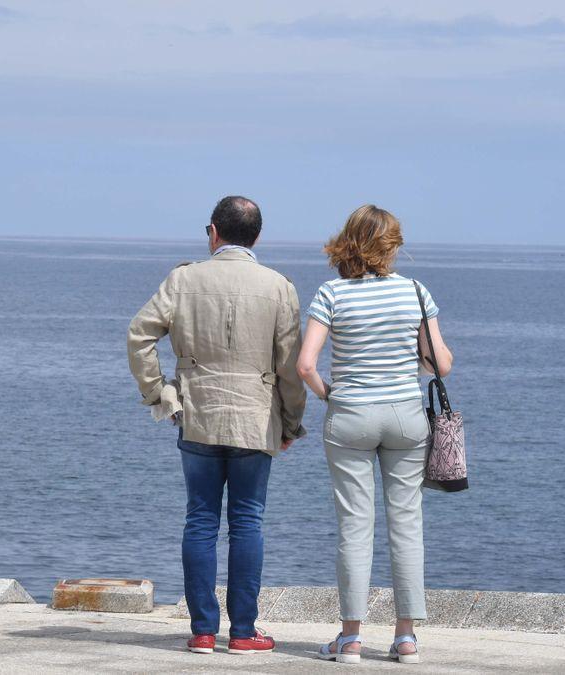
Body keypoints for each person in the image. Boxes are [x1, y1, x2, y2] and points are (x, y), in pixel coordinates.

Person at [127, 196, 307, 655]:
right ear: (258, 237)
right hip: (255, 419)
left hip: (197, 416)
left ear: (212, 233)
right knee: (247, 522)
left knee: (201, 520)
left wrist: (160, 394)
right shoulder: (278, 287)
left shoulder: (183, 279)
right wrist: (291, 423)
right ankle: (244, 632)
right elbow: (289, 367)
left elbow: (139, 335)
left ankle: (204, 630)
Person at [297, 204, 454, 665]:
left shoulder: (331, 293)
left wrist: (331, 395)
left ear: (348, 241)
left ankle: (350, 639)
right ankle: (406, 637)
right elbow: (439, 364)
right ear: (392, 245)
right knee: (406, 524)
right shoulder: (416, 294)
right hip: (406, 417)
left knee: (354, 526)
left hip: (350, 415)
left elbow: (306, 364)